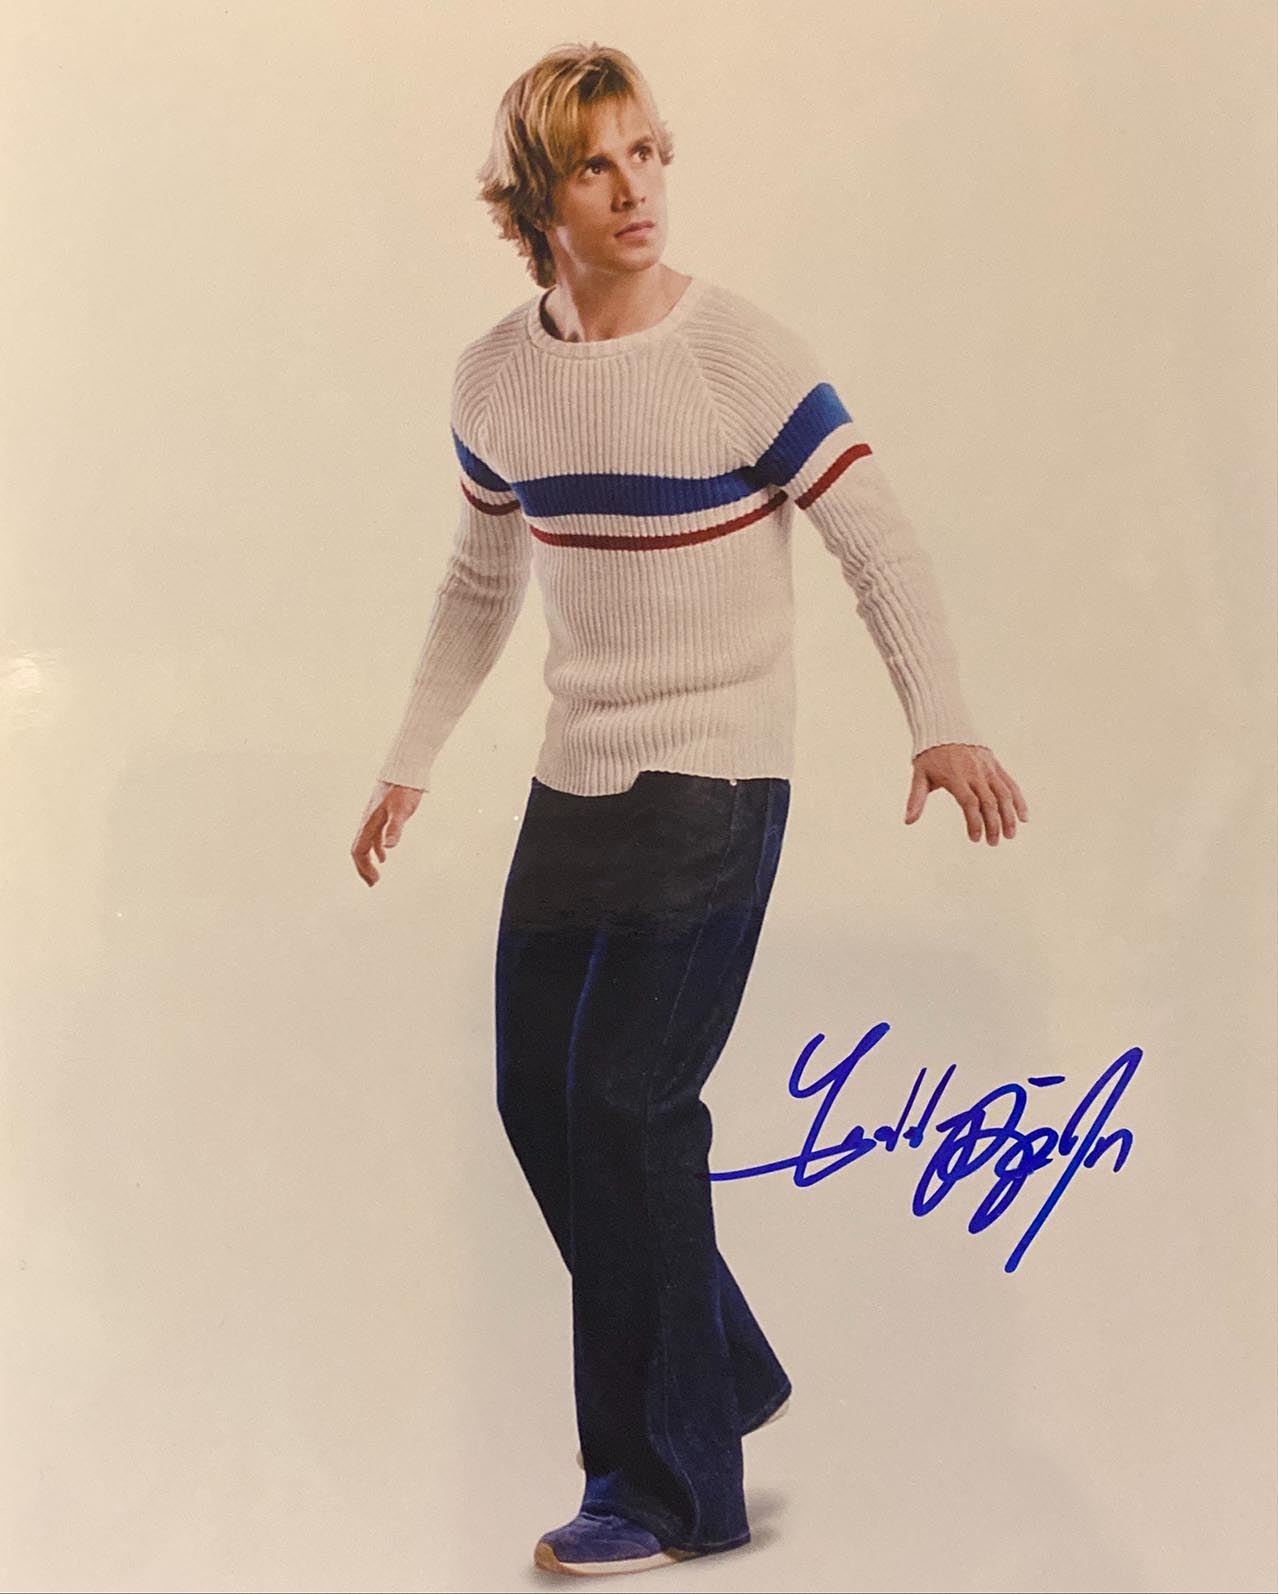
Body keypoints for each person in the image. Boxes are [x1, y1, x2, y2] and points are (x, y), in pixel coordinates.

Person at [351, 41, 1028, 1579]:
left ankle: (667, 1489)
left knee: (625, 1102)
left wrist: (939, 720)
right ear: (537, 197)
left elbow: (876, 540)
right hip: (575, 775)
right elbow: (477, 578)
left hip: (716, 769)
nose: (635, 187)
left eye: (650, 152)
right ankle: (712, 1366)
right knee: (539, 1099)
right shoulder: (494, 378)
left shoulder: (738, 355)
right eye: (596, 164)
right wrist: (410, 756)